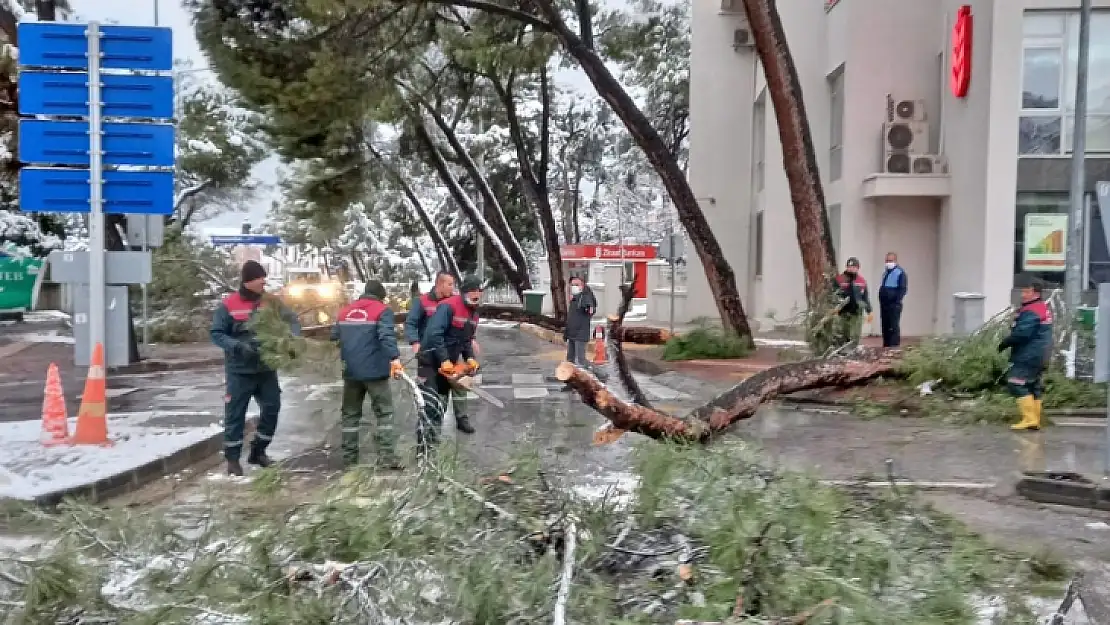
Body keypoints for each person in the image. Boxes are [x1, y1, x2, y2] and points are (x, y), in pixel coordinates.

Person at [210, 260, 301, 476]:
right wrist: (237, 346)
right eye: (260, 277)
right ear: (248, 280)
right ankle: (232, 461)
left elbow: (292, 320)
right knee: (235, 414)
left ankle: (258, 451)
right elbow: (216, 333)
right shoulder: (229, 305)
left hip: (266, 369)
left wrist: (292, 340)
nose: (264, 281)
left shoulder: (271, 302)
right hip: (240, 371)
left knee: (272, 408)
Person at [332, 280, 405, 470]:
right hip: (375, 373)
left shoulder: (344, 312)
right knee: (385, 413)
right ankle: (386, 457)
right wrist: (395, 359)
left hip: (351, 372)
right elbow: (386, 336)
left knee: (350, 415)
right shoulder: (382, 310)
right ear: (381, 296)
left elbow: (334, 337)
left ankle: (349, 459)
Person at [417, 274, 483, 454]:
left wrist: (469, 357)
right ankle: (424, 450)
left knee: (442, 404)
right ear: (463, 292)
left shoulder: (474, 313)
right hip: (430, 361)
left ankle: (432, 444)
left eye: (479, 291)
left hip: (448, 364)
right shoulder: (448, 306)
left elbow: (466, 339)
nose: (476, 294)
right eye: (472, 291)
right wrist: (444, 359)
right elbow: (434, 334)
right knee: (432, 404)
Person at [404, 271, 474, 434]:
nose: (453, 288)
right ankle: (433, 422)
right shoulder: (422, 302)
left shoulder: (455, 303)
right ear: (440, 284)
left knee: (459, 385)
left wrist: (470, 341)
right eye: (450, 284)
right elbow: (411, 323)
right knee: (432, 390)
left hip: (449, 353)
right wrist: (415, 343)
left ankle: (462, 418)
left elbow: (465, 323)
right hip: (429, 355)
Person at [999, 276, 1053, 431]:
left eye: (1026, 291)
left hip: (1030, 353)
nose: (1023, 294)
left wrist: (1006, 342)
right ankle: (1035, 419)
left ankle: (1030, 419)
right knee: (1032, 384)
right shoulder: (1040, 307)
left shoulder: (1032, 310)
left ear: (1035, 293)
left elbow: (1022, 333)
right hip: (1041, 352)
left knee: (1016, 382)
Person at [561, 276, 597, 391]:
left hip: (581, 334)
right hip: (572, 332)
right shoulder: (574, 298)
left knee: (581, 361)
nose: (574, 287)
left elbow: (590, 308)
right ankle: (571, 384)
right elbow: (571, 317)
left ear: (583, 285)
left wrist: (589, 308)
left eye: (577, 284)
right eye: (572, 285)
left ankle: (597, 376)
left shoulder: (585, 296)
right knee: (570, 360)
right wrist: (566, 332)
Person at [832, 257, 873, 349]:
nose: (851, 269)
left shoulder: (861, 281)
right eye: (849, 267)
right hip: (843, 311)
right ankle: (840, 351)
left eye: (854, 267)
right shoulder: (839, 279)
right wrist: (835, 308)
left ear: (858, 268)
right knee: (842, 333)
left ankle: (852, 351)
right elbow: (834, 295)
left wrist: (869, 311)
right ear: (846, 267)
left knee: (854, 335)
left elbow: (865, 297)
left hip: (856, 312)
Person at [878, 252, 908, 347]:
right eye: (887, 261)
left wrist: (896, 301)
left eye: (890, 261)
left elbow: (902, 289)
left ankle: (894, 345)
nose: (888, 263)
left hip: (894, 304)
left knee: (893, 325)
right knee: (885, 325)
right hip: (885, 304)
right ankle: (886, 344)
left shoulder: (900, 273)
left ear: (895, 261)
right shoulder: (886, 272)